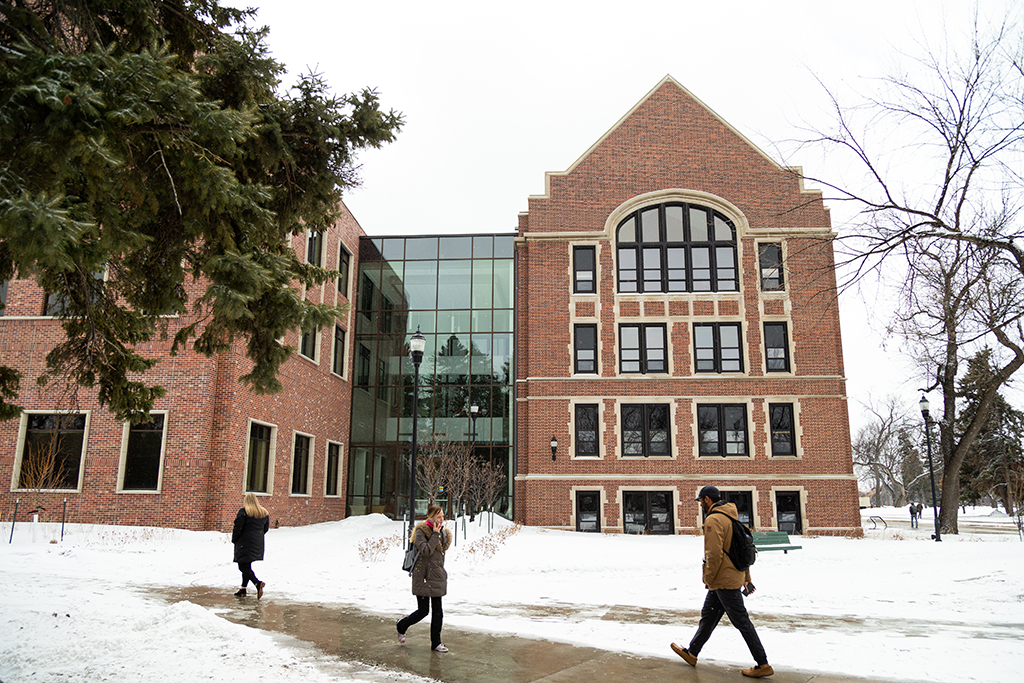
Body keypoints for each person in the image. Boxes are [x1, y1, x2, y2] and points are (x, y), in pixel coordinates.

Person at [671, 485, 773, 679]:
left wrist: (708, 579)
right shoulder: (731, 517)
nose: (700, 504)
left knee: (742, 622)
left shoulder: (713, 519)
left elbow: (714, 554)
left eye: (701, 501)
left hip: (723, 579)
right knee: (708, 617)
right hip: (729, 577)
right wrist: (746, 578)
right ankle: (692, 653)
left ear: (707, 500)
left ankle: (763, 663)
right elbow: (740, 550)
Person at [397, 504, 451, 652]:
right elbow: (426, 551)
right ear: (431, 517)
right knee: (423, 611)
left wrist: (440, 534)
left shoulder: (442, 532)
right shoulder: (421, 531)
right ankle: (401, 625)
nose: (441, 519)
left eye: (442, 516)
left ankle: (436, 643)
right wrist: (434, 534)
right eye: (438, 517)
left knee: (438, 611)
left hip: (437, 576)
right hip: (423, 577)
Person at [232, 492, 270, 598]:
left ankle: (257, 583)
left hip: (244, 543)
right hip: (257, 543)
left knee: (242, 566)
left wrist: (234, 539)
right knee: (247, 565)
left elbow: (237, 528)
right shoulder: (264, 512)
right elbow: (265, 529)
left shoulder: (244, 512)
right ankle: (243, 589)